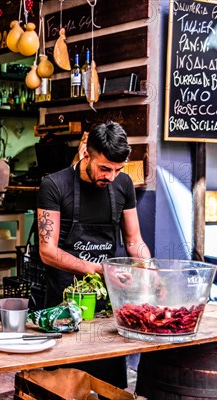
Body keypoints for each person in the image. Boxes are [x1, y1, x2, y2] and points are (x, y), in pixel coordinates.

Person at [36, 121, 151, 389]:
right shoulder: (54, 185)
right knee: (62, 389)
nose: (110, 176)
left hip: (106, 311)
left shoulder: (123, 185)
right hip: (62, 305)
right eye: (104, 168)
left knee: (109, 388)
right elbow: (48, 251)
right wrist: (99, 270)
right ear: (86, 151)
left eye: (117, 170)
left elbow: (134, 241)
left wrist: (148, 267)